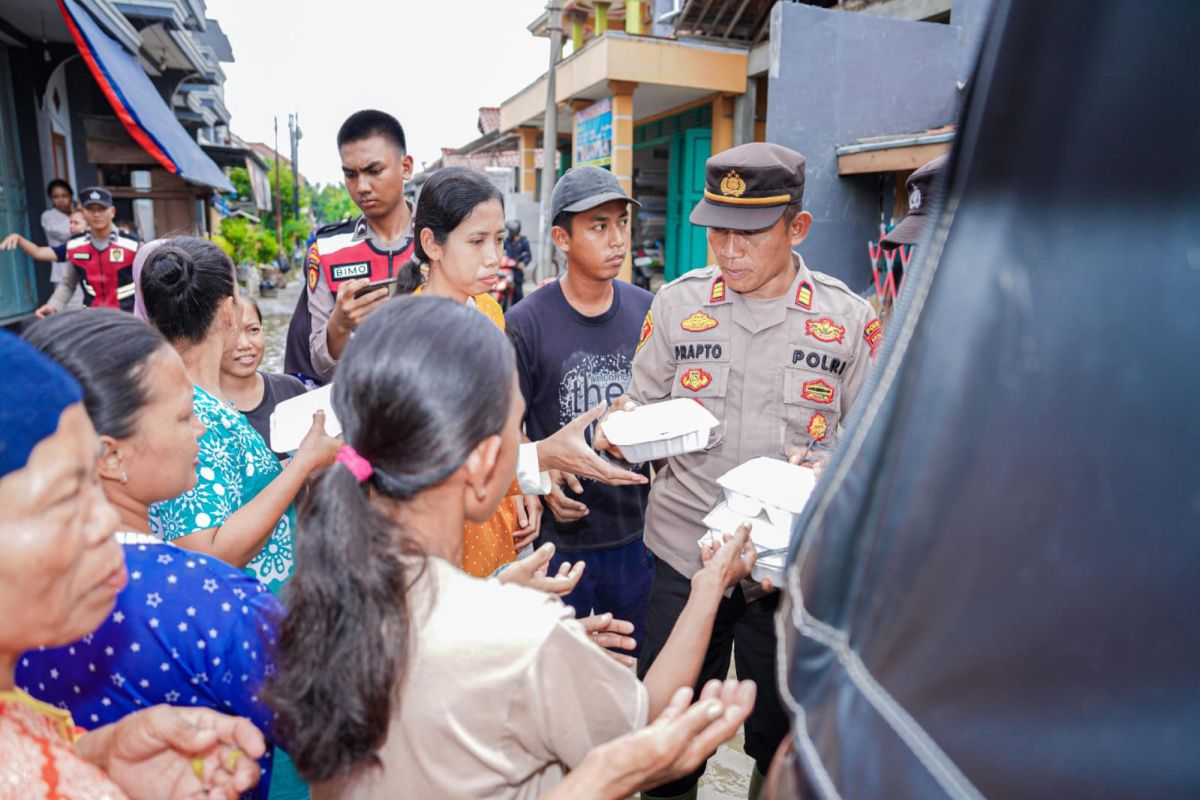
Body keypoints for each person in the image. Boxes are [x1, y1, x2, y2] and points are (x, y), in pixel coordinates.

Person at [267, 296, 758, 799]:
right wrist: (711, 583)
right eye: (517, 427)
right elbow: (647, 722)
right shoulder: (520, 633)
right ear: (482, 467)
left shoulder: (314, 598)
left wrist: (498, 595)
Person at [596, 142, 881, 800]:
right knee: (669, 728)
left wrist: (827, 466)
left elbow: (869, 452)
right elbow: (640, 405)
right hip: (681, 556)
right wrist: (625, 425)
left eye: (748, 234)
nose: (728, 251)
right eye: (716, 232)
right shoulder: (676, 304)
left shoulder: (846, 321)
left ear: (797, 228)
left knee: (780, 735)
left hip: (783, 573)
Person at [16, 309, 286, 799]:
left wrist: (94, 756)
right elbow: (348, 728)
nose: (202, 429)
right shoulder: (221, 603)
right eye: (185, 415)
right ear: (109, 455)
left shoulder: (30, 607)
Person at [506, 165, 654, 655]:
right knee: (562, 674)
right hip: (561, 541)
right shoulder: (525, 323)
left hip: (638, 534)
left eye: (621, 224)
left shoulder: (649, 312)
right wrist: (541, 479)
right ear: (561, 238)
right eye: (598, 226)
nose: (617, 239)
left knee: (630, 669)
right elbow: (508, 429)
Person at [140, 237, 340, 594]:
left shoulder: (194, 396)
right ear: (227, 311)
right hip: (236, 618)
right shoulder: (186, 410)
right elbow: (207, 552)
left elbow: (231, 495)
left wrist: (292, 465)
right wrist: (301, 466)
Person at [400, 166, 541, 576]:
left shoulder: (488, 310)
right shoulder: (404, 333)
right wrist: (538, 462)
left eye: (498, 240)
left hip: (496, 519)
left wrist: (519, 489)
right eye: (477, 241)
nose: (494, 257)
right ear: (432, 244)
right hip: (441, 536)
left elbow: (501, 418)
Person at [283, 110, 416, 385]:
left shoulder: (441, 240)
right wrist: (339, 325)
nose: (362, 187)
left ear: (406, 167)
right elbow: (320, 366)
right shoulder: (328, 250)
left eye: (374, 171)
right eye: (350, 175)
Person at [0, 186, 140, 314]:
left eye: (102, 209)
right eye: (91, 209)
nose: (97, 214)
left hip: (128, 318)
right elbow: (67, 283)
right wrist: (53, 305)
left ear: (112, 212)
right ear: (83, 212)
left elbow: (148, 281)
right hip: (93, 319)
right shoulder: (76, 245)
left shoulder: (133, 244)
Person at [221, 296, 309, 454]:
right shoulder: (202, 408)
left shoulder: (291, 389)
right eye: (231, 332)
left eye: (253, 330)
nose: (245, 344)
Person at [40, 178, 83, 310]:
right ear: (51, 199)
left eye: (64, 196)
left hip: (84, 268)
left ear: (71, 196)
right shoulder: (48, 216)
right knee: (69, 313)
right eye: (56, 197)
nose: (61, 200)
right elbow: (67, 232)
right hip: (63, 272)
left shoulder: (77, 214)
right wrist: (81, 219)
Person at [503, 218, 531, 304]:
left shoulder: (523, 241)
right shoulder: (507, 241)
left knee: (518, 294)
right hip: (506, 270)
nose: (509, 233)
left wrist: (524, 263)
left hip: (517, 271)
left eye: (510, 231)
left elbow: (528, 256)